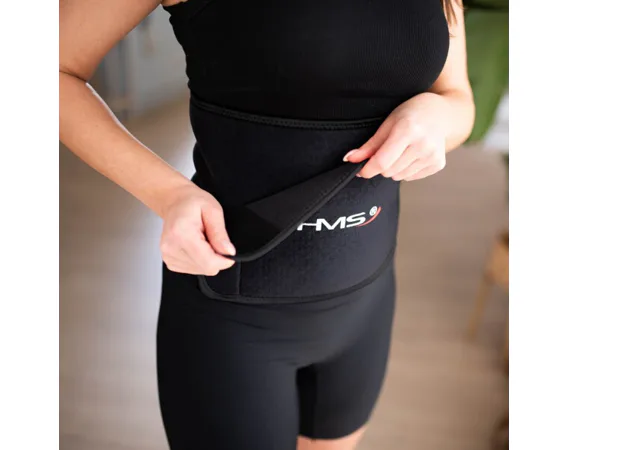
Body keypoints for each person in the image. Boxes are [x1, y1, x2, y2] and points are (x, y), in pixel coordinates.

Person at [59, 0, 474, 449]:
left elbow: (458, 98)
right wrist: (167, 193)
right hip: (231, 319)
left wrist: (437, 116)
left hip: (365, 302)